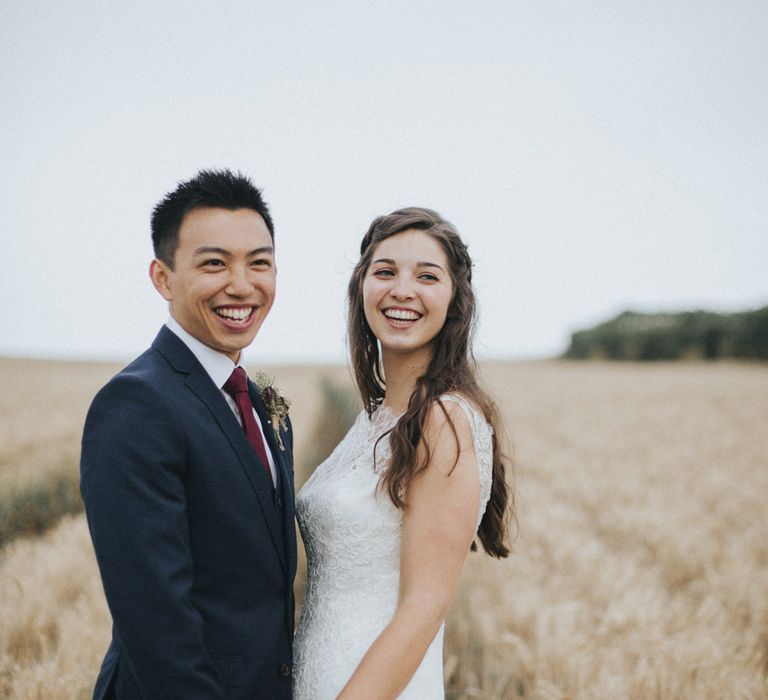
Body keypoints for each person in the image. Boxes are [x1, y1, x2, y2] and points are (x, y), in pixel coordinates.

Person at [80, 169, 296, 700]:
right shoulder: (135, 404)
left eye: (259, 262)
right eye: (214, 263)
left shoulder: (262, 395)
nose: (242, 285)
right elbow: (157, 624)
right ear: (163, 278)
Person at [293, 207, 513, 698]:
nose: (402, 290)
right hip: (321, 676)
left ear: (456, 299)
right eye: (385, 271)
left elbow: (424, 606)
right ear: (362, 288)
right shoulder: (374, 419)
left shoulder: (445, 420)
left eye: (427, 276)